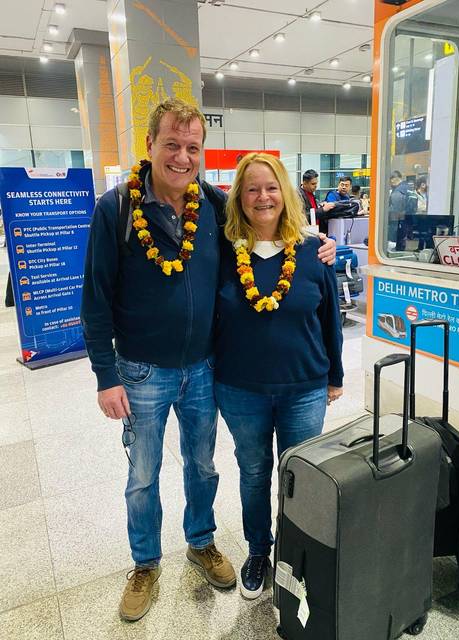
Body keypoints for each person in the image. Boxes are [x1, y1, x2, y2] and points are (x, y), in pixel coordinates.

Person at [80, 97, 337, 621]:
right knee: (144, 475)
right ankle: (145, 564)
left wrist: (315, 241)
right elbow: (95, 298)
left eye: (192, 147)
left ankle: (201, 542)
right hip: (142, 371)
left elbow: (265, 219)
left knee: (203, 465)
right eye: (171, 144)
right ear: (149, 145)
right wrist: (106, 377)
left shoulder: (215, 206)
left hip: (204, 370)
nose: (181, 157)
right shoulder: (118, 209)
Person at [214, 152, 344, 600]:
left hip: (304, 389)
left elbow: (330, 320)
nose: (262, 196)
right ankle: (258, 551)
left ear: (285, 193)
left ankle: (295, 553)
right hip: (240, 389)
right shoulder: (222, 252)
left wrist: (336, 377)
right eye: (251, 188)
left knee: (299, 477)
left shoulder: (313, 252)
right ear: (239, 198)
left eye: (270, 187)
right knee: (253, 473)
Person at [297, 169, 336, 233]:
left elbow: (312, 209)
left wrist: (321, 205)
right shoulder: (298, 196)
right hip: (306, 232)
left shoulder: (311, 193)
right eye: (313, 184)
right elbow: (302, 217)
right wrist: (322, 210)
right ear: (304, 183)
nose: (316, 186)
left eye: (316, 183)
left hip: (315, 230)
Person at [388, 170, 417, 243]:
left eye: (390, 180)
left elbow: (395, 211)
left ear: (394, 179)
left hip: (399, 224)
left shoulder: (398, 191)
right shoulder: (410, 189)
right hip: (410, 222)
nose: (390, 183)